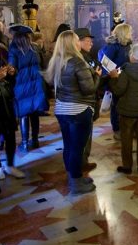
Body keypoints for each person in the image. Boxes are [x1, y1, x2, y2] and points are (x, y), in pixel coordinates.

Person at [44, 30, 101, 195]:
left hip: (62, 109)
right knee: (77, 148)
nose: (78, 42)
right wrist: (97, 76)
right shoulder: (78, 62)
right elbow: (89, 89)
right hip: (79, 110)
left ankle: (73, 177)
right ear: (72, 43)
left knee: (69, 146)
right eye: (77, 40)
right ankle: (76, 183)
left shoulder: (56, 61)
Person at [109, 43, 138, 175]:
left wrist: (113, 78)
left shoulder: (127, 71)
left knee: (127, 139)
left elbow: (118, 90)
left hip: (128, 111)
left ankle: (127, 166)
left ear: (134, 56)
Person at [8, 24, 48, 152]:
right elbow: (44, 64)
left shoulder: (13, 48)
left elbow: (12, 68)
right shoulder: (35, 47)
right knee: (34, 113)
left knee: (23, 113)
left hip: (22, 84)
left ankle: (25, 143)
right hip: (36, 83)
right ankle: (35, 140)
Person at [98, 23, 133, 140]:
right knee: (116, 105)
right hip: (116, 80)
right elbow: (105, 62)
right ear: (123, 33)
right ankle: (117, 129)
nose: (131, 34)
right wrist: (115, 73)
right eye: (129, 32)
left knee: (126, 104)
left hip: (126, 78)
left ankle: (126, 127)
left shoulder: (128, 45)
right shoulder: (113, 46)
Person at [74, 28, 101, 172]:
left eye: (91, 41)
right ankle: (82, 162)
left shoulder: (86, 57)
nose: (91, 43)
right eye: (88, 41)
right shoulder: (81, 60)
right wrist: (98, 76)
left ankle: (81, 161)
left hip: (87, 100)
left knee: (84, 132)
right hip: (85, 101)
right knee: (84, 133)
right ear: (78, 42)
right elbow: (89, 84)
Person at [0, 34, 23, 179]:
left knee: (10, 134)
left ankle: (10, 165)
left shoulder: (2, 50)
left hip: (6, 99)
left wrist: (11, 72)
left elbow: (8, 72)